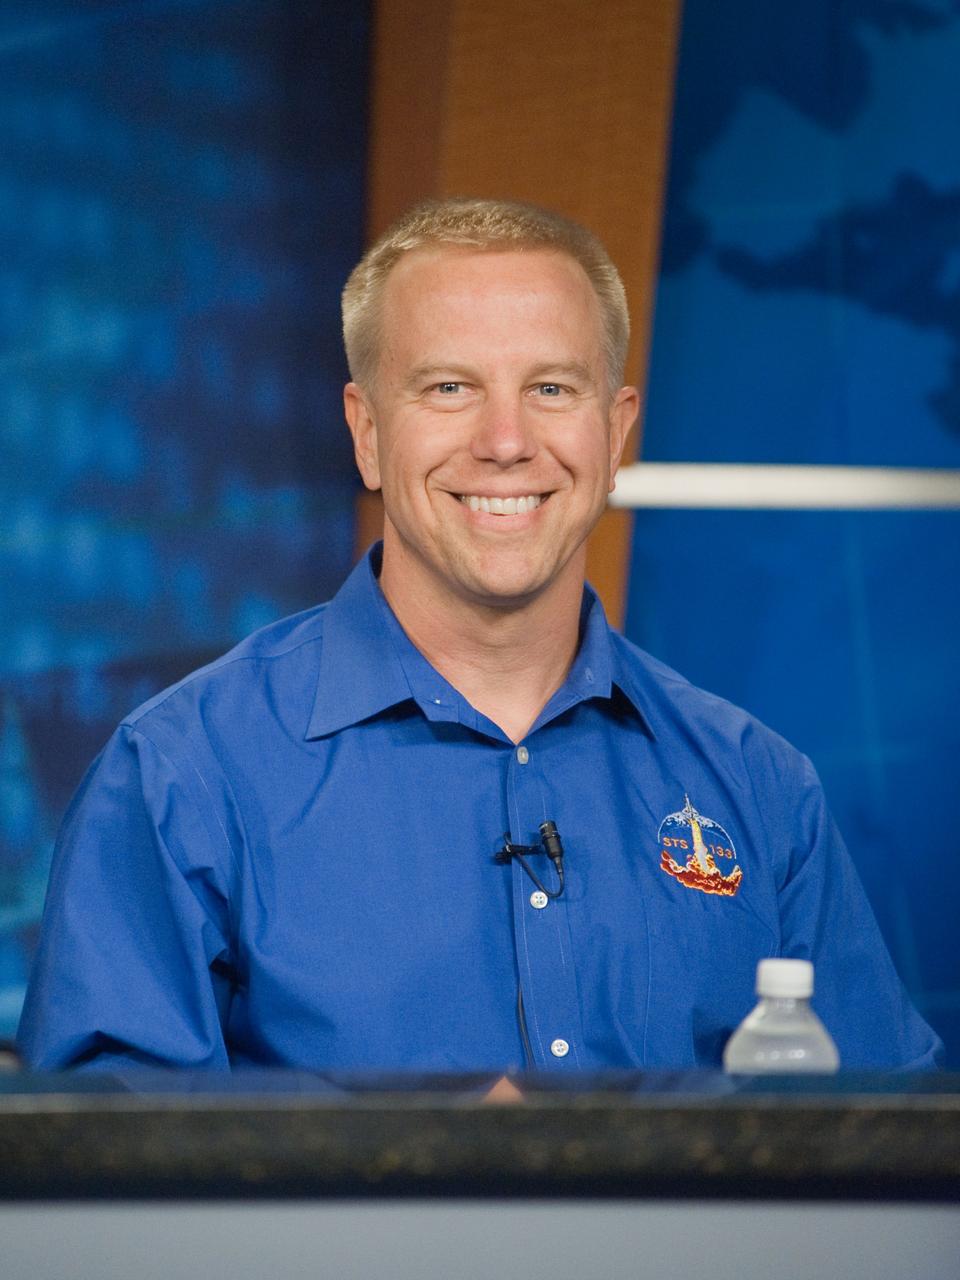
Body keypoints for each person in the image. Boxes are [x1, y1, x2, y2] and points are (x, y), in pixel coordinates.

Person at [18, 198, 941, 1073]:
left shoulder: (758, 785)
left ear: (615, 432)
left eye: (550, 386)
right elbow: (114, 1189)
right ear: (368, 432)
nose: (506, 440)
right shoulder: (182, 776)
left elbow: (883, 1156)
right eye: (450, 387)